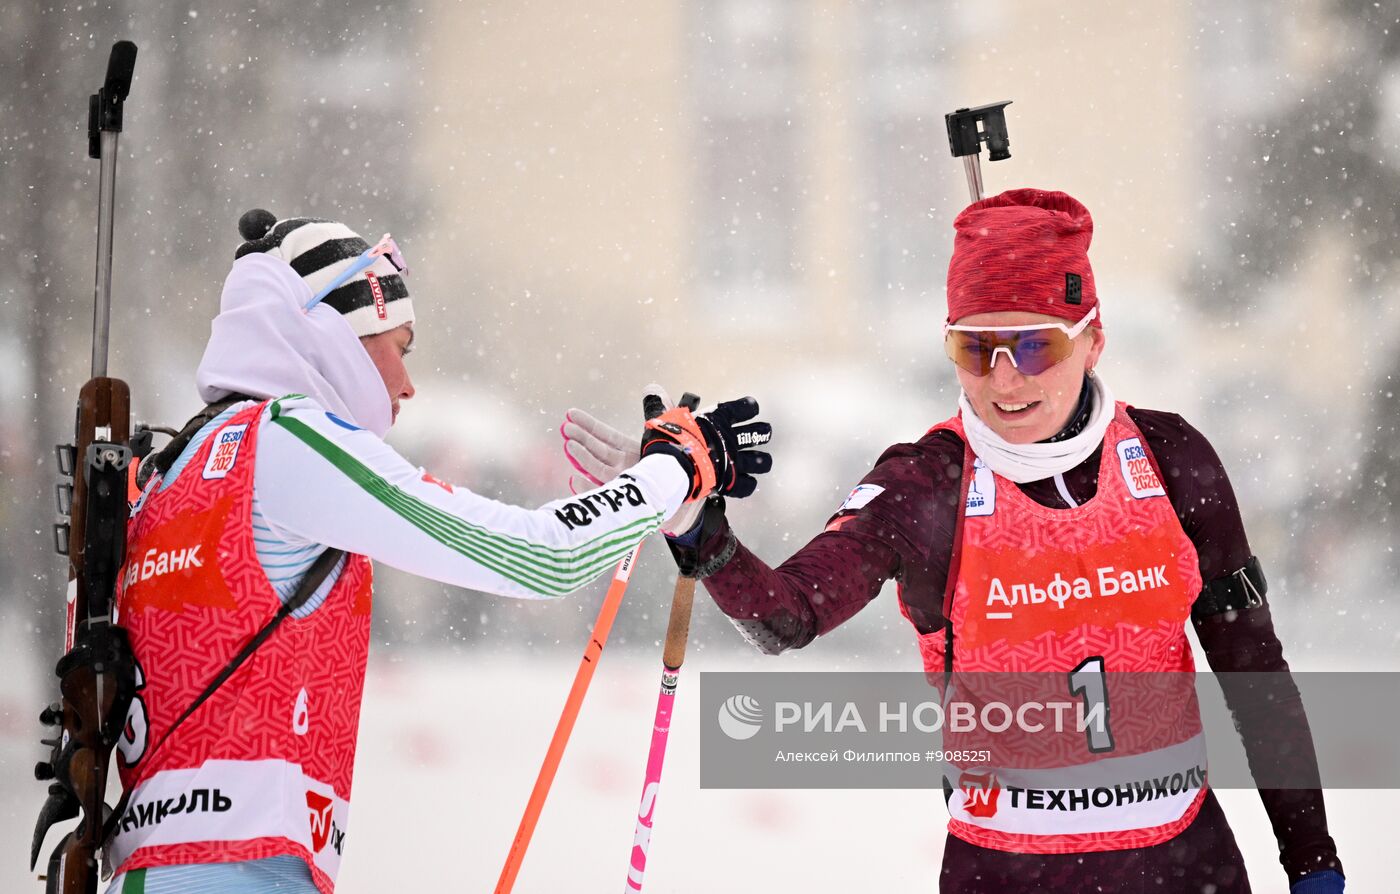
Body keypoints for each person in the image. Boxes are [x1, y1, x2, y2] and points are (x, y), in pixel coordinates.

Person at [562, 189, 1345, 893]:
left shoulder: (1173, 461)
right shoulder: (925, 484)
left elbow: (1256, 676)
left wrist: (1313, 863)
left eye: (1035, 346)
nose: (1005, 381)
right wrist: (691, 518)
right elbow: (786, 617)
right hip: (1003, 874)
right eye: (974, 349)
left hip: (1182, 870)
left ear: (1093, 340)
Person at [104, 209, 772, 894]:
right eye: (401, 346)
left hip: (170, 870)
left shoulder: (176, 466)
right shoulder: (289, 441)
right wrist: (676, 467)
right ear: (333, 334)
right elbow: (541, 558)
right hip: (240, 874)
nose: (407, 384)